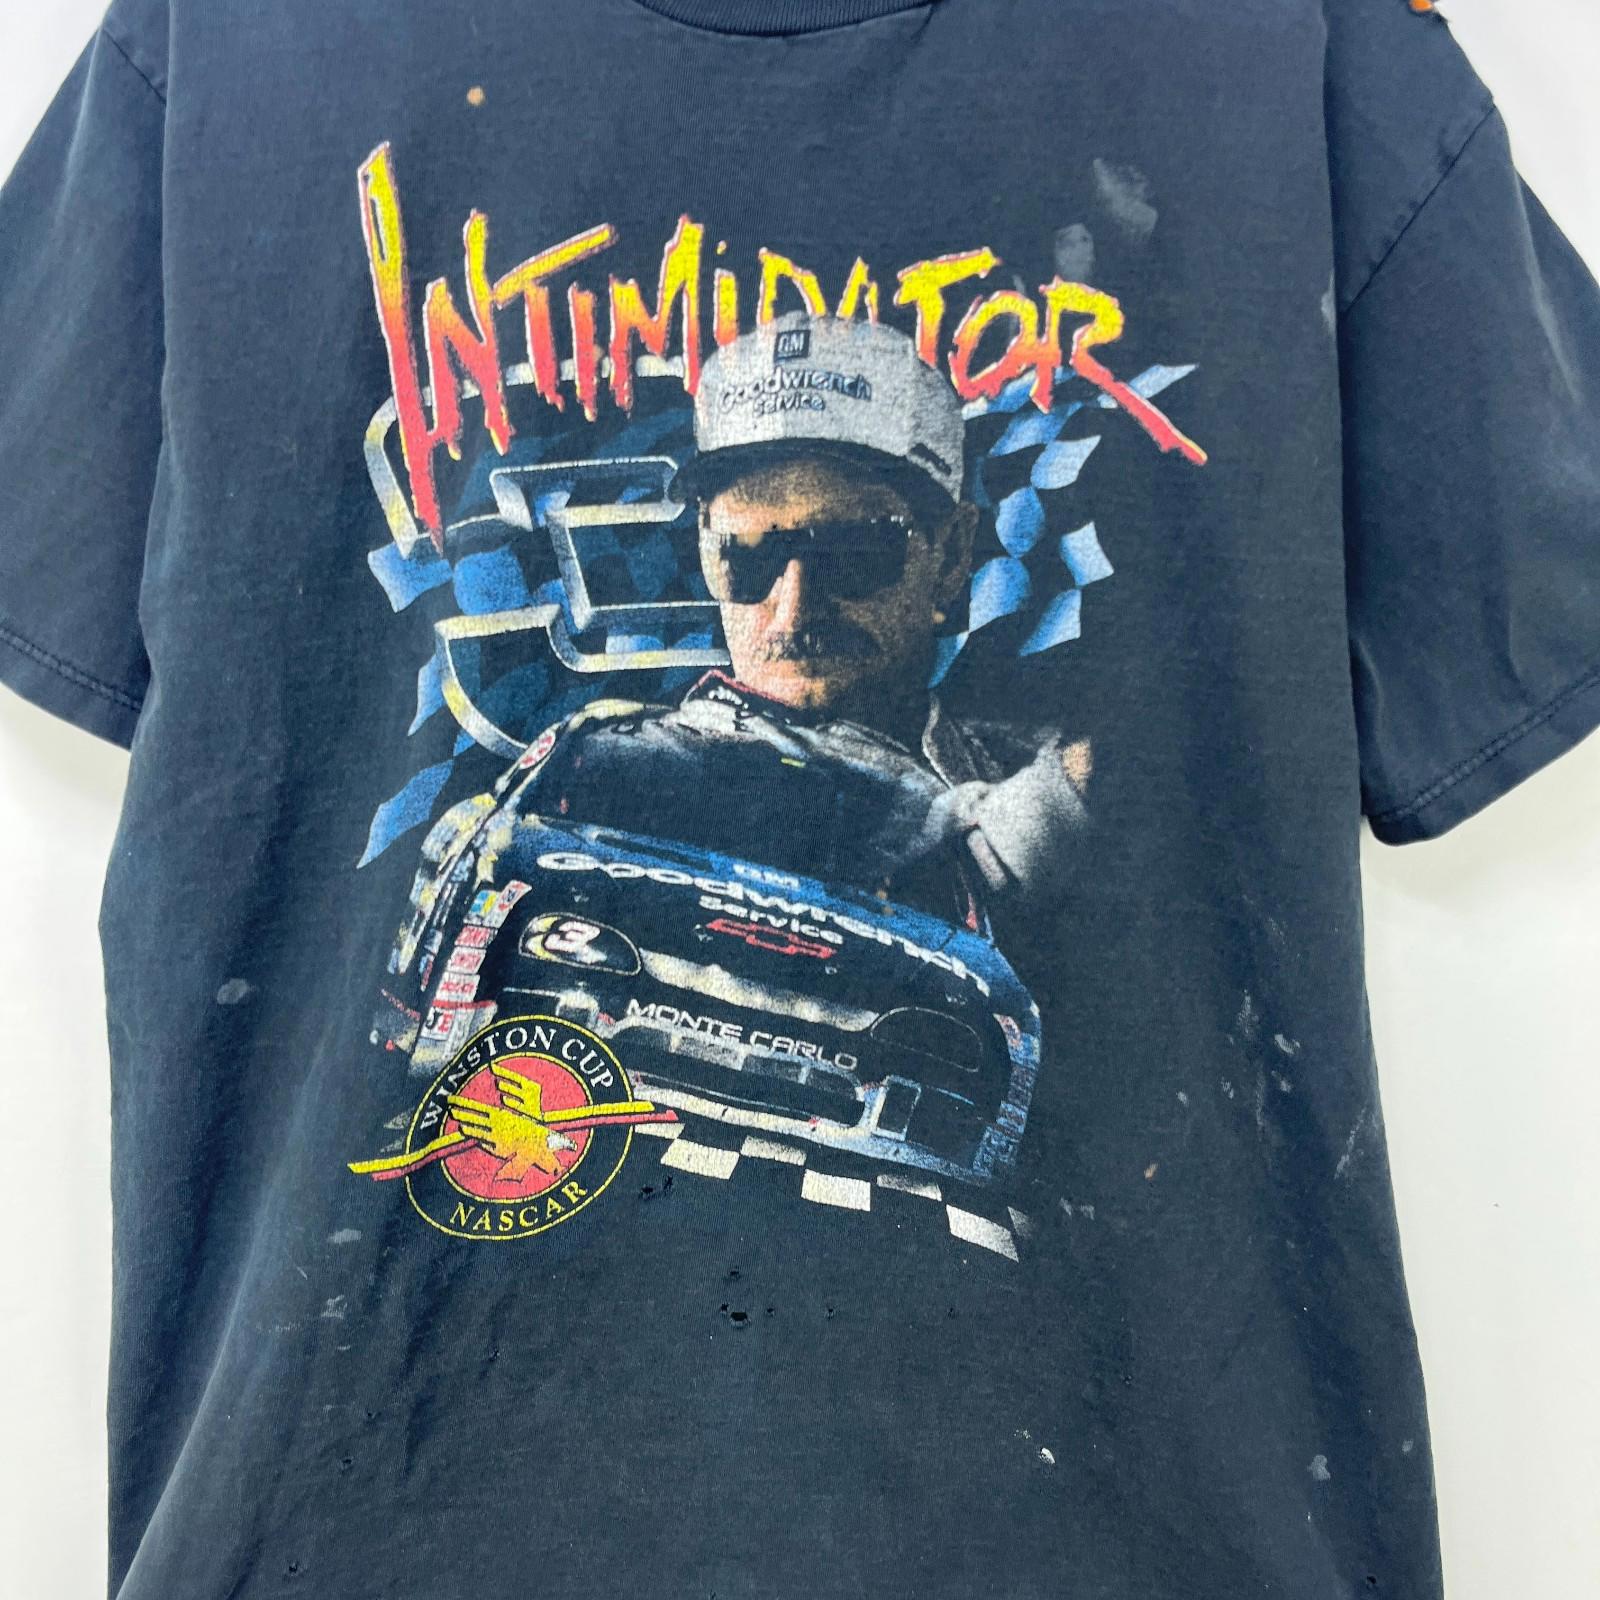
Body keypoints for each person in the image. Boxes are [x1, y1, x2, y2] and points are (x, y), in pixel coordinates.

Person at [1, 4, 1598, 1599]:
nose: (791, 602)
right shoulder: (228, 49)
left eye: (853, 550)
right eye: (751, 553)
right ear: (702, 556)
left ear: (951, 560)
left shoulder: (1289, 52)